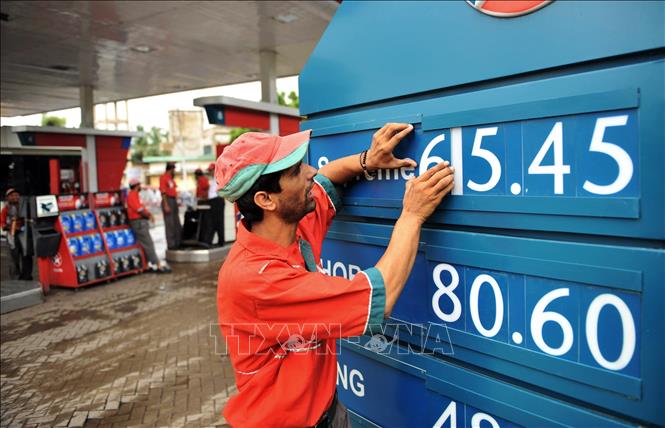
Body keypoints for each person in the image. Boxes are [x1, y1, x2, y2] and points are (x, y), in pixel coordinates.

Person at [215, 124, 455, 427]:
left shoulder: (286, 228)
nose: (311, 171)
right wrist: (412, 215)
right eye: (295, 172)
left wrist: (367, 160)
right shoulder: (257, 280)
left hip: (327, 409)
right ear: (266, 200)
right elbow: (377, 298)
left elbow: (326, 178)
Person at [126, 179, 171, 273]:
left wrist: (148, 215)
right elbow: (139, 209)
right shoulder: (132, 195)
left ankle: (146, 265)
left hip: (140, 222)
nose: (140, 187)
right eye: (139, 185)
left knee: (144, 244)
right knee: (148, 243)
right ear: (136, 186)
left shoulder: (135, 195)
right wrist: (149, 216)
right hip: (138, 222)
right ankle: (158, 265)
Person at [1, 188, 33, 280]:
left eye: (16, 195)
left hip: (25, 234)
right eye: (12, 195)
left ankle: (27, 276)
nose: (15, 197)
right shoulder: (5, 209)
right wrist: (12, 227)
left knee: (27, 255)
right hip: (12, 236)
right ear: (7, 198)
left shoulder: (25, 207)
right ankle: (16, 278)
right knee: (14, 257)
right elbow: (2, 224)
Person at [159, 162, 182, 250]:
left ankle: (178, 242)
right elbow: (163, 192)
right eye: (173, 169)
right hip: (167, 200)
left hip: (173, 200)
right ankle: (171, 244)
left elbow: (173, 190)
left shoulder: (170, 178)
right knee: (170, 223)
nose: (174, 171)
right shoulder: (163, 177)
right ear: (171, 169)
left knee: (176, 222)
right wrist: (166, 204)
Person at [202, 163, 225, 246]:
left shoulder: (219, 177)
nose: (210, 172)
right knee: (215, 221)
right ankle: (218, 241)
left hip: (217, 201)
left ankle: (220, 241)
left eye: (211, 170)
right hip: (214, 201)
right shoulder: (213, 179)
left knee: (218, 221)